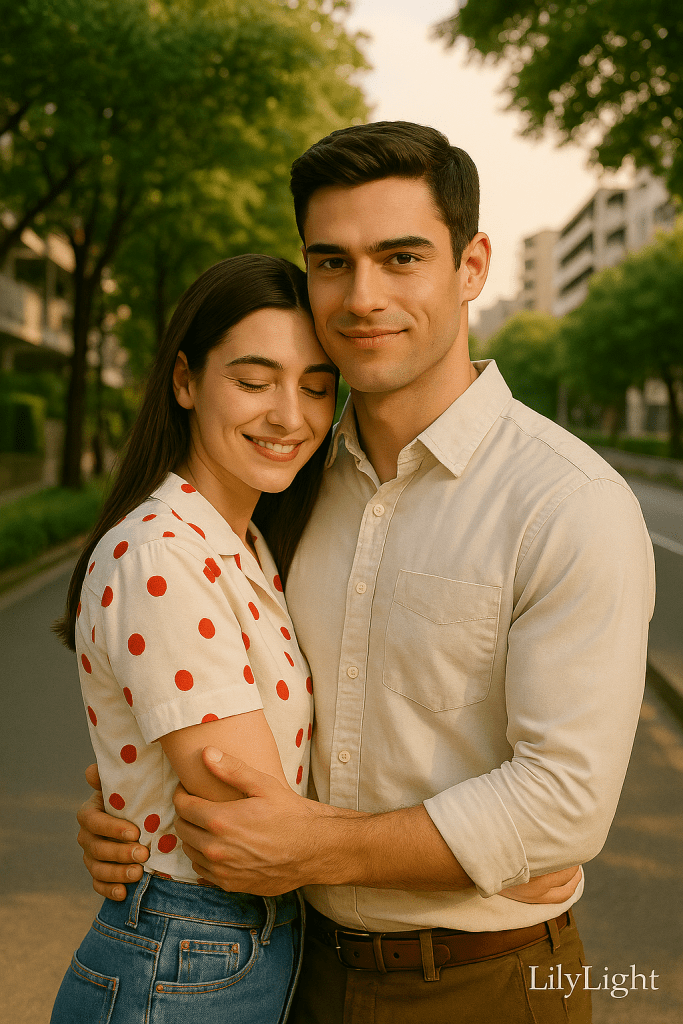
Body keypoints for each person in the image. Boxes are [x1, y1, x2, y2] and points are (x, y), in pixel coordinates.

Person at [77, 122, 655, 1024]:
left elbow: (561, 807)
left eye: (401, 256)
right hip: (292, 972)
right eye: (332, 261)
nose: (362, 296)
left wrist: (312, 846)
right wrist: (138, 819)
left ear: (471, 267)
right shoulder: (286, 486)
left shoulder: (566, 502)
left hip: (486, 982)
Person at [50, 254, 338, 1024]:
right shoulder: (163, 553)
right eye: (253, 381)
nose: (290, 414)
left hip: (226, 946)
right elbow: (245, 819)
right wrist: (475, 851)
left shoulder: (242, 539)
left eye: (316, 386)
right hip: (190, 950)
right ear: (184, 381)